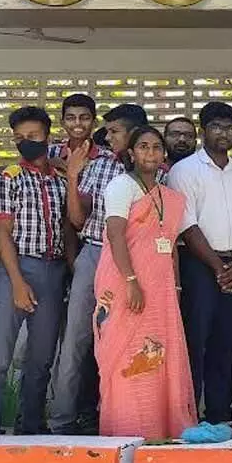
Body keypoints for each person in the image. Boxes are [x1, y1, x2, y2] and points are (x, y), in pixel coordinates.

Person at [94, 126, 197, 438]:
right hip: (125, 282)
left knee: (158, 355)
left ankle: (159, 426)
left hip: (161, 288)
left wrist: (176, 287)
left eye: (155, 147)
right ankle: (126, 427)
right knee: (125, 355)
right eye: (143, 147)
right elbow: (115, 234)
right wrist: (131, 281)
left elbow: (171, 243)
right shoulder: (121, 186)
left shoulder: (169, 197)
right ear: (131, 153)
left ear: (163, 155)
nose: (150, 153)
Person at [0, 106, 70, 439]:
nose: (26, 142)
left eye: (33, 136)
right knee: (0, 352)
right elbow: (2, 232)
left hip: (54, 269)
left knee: (42, 357)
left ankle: (30, 427)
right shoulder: (7, 177)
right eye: (19, 138)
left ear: (48, 136)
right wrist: (17, 282)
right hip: (17, 268)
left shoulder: (61, 179)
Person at [50, 103, 139, 434]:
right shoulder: (99, 164)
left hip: (136, 263)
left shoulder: (155, 168)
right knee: (77, 339)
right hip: (96, 254)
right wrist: (72, 176)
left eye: (115, 131)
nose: (107, 136)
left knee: (127, 342)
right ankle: (62, 420)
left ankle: (120, 419)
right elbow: (77, 218)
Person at [169, 102, 232, 425]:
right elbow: (187, 227)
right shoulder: (184, 171)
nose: (224, 133)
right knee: (196, 342)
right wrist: (219, 268)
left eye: (229, 127)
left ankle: (220, 417)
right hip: (200, 268)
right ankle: (189, 418)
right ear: (203, 130)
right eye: (217, 127)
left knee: (226, 343)